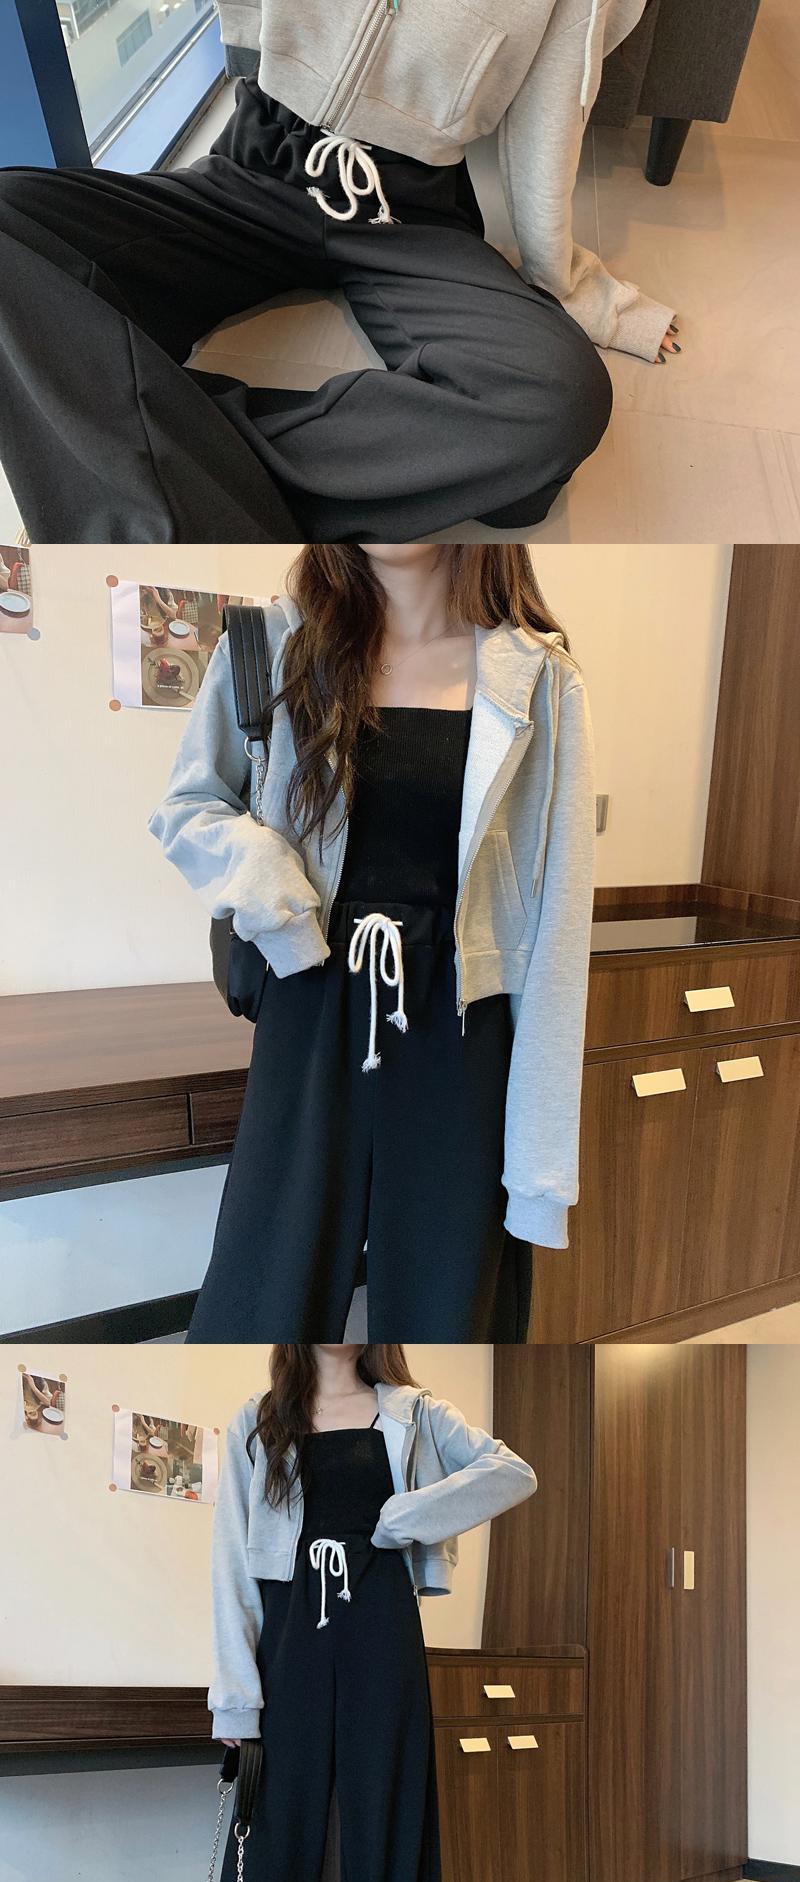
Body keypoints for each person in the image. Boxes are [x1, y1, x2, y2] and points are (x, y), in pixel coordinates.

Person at [0, 0, 677, 542]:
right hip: (251, 174)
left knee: (553, 406)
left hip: (407, 213)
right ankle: (183, 471)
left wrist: (572, 285)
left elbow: (547, 126)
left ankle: (139, 462)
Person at [151, 539, 596, 1341]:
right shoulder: (273, 644)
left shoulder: (541, 679)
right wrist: (269, 879)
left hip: (462, 1020)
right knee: (261, 1300)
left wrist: (542, 1175)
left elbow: (559, 919)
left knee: (449, 1317)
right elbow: (189, 808)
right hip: (311, 992)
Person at [177, 1342, 536, 1882]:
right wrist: (235, 1700)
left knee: (390, 1853)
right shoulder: (258, 1421)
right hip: (288, 1649)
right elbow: (232, 1567)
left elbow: (513, 1472)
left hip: (382, 1640)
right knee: (266, 1860)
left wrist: (408, 1516)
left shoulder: (416, 1413)